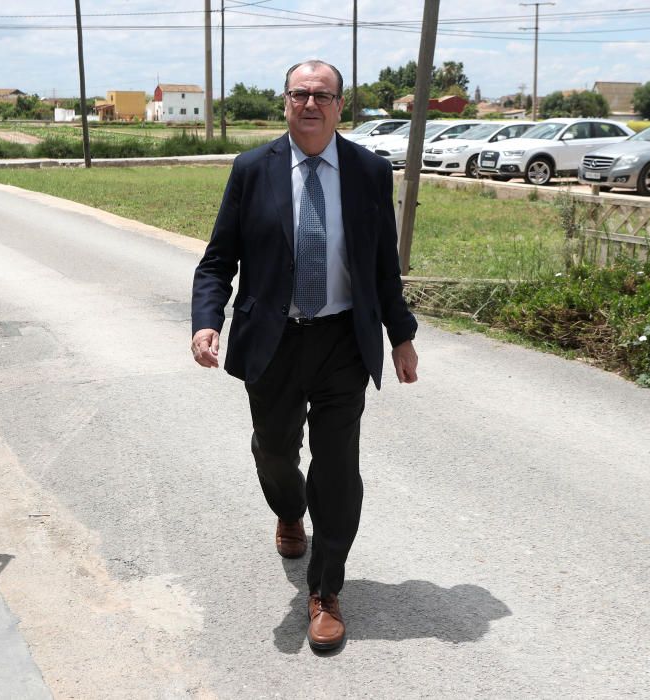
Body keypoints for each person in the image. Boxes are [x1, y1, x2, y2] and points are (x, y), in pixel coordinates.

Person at [191, 59, 418, 651]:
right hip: (274, 340)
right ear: (285, 102)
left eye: (323, 95)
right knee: (274, 451)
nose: (311, 104)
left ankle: (326, 590)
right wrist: (206, 322)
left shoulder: (370, 171)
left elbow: (381, 265)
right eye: (300, 94)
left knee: (339, 469)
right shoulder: (252, 169)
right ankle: (289, 511)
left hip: (344, 339)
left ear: (342, 105)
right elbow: (218, 260)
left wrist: (401, 334)